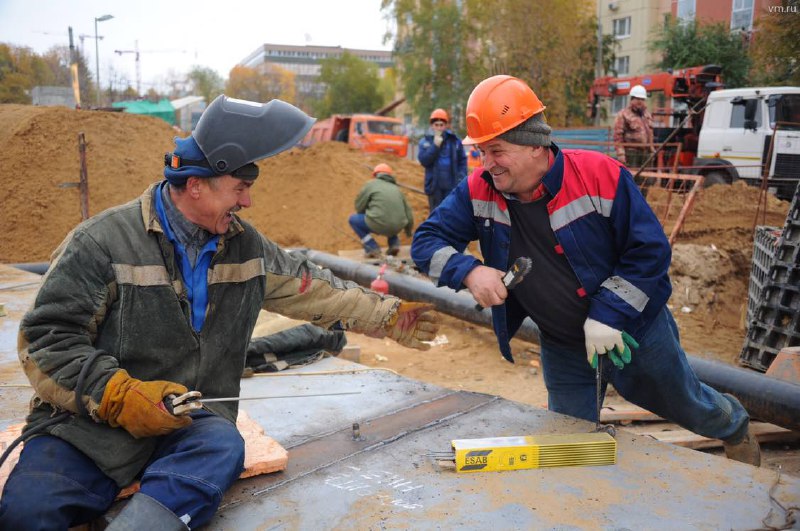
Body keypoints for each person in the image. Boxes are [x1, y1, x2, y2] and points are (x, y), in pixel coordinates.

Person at [0, 95, 440, 529]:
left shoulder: (244, 245)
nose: (247, 202)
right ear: (196, 186)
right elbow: (46, 340)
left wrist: (388, 316)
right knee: (28, 511)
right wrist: (118, 395)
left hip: (191, 420)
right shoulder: (102, 243)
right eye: (240, 189)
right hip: (89, 427)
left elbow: (314, 289)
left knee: (224, 446)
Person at [411, 75, 761, 468]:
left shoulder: (600, 176)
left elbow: (649, 251)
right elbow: (426, 242)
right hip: (564, 345)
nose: (486, 163)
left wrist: (609, 313)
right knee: (568, 442)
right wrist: (469, 271)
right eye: (482, 151)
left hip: (636, 332)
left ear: (532, 144)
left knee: (689, 405)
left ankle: (734, 428)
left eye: (496, 150)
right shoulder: (479, 189)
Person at [349, 163, 414, 258]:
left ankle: (372, 247)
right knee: (391, 218)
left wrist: (366, 212)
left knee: (353, 220)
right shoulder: (397, 189)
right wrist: (408, 231)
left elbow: (359, 206)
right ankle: (394, 244)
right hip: (397, 226)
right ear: (390, 176)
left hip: (379, 223)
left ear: (375, 175)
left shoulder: (371, 184)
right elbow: (409, 213)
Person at [417, 108, 468, 212]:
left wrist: (460, 179)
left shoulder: (454, 141)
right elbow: (424, 160)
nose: (439, 128)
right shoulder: (425, 142)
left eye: (441, 125)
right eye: (436, 125)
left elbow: (462, 161)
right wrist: (435, 146)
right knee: (435, 215)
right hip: (434, 187)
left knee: (451, 214)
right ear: (432, 125)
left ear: (446, 125)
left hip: (451, 187)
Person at [613, 84, 655, 170]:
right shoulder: (623, 114)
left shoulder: (647, 115)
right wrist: (621, 155)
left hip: (646, 153)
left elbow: (650, 134)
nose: (640, 101)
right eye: (637, 99)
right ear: (631, 99)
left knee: (647, 180)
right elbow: (618, 137)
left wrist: (652, 149)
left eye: (642, 99)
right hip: (631, 154)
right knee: (632, 179)